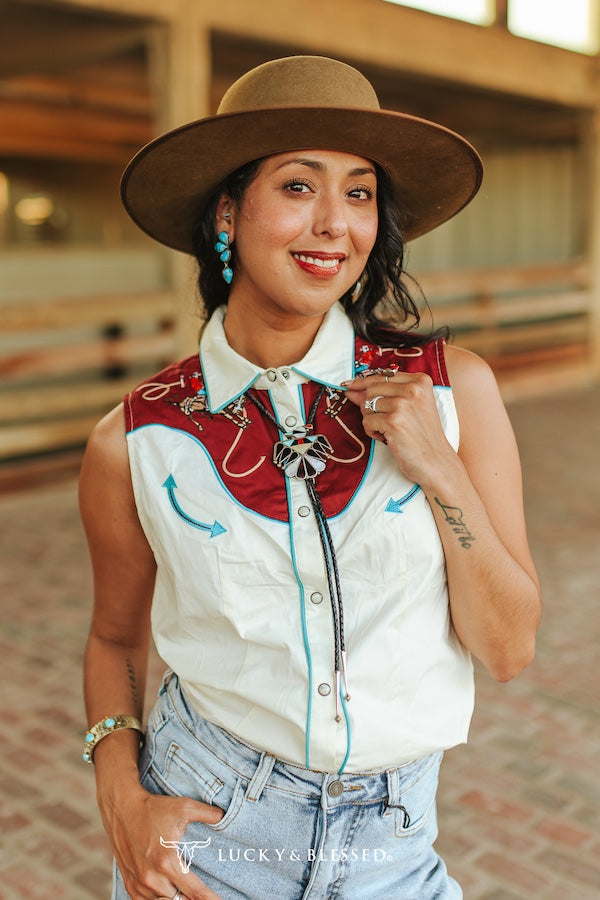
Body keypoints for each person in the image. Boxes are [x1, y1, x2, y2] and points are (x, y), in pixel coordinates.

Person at [79, 55, 542, 900]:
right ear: (229, 210)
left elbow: (507, 650)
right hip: (205, 839)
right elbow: (114, 639)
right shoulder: (137, 439)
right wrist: (119, 793)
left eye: (359, 193)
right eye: (299, 186)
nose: (335, 224)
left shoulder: (454, 391)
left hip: (392, 850)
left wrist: (441, 469)